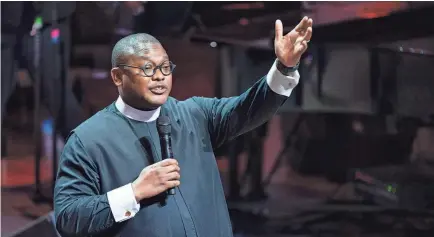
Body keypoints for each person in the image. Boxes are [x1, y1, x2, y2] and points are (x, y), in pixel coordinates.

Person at [54, 17, 313, 237]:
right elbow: (68, 217)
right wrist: (133, 192)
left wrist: (284, 67)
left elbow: (249, 109)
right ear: (117, 76)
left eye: (165, 67)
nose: (159, 76)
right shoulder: (89, 139)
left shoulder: (194, 114)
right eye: (147, 69)